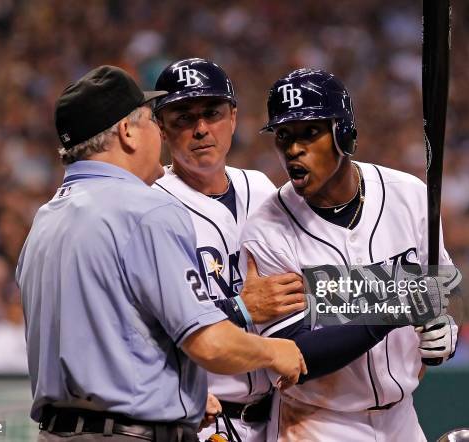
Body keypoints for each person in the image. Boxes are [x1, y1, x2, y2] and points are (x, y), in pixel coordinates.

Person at [16, 65, 306, 442]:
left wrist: (171, 395)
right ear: (127, 132)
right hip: (130, 433)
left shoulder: (45, 219)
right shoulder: (145, 209)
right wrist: (272, 350)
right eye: (153, 121)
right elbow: (208, 343)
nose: (159, 131)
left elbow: (109, 330)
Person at [240, 68, 462, 442]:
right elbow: (295, 354)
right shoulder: (267, 229)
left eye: (309, 132)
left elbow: (442, 285)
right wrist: (390, 309)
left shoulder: (407, 194)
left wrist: (443, 333)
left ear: (343, 133)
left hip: (402, 417)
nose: (293, 149)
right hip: (317, 422)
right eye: (284, 136)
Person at [153, 58, 306, 442]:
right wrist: (240, 308)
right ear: (161, 130)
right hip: (202, 420)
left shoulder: (264, 189)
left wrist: (410, 299)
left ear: (233, 118)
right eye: (183, 118)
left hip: (280, 415)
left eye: (212, 113)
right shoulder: (150, 208)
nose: (201, 128)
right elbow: (145, 329)